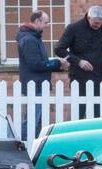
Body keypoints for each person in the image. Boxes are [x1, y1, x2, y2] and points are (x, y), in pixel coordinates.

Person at [55, 5, 102, 118]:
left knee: (98, 111)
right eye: (95, 23)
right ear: (88, 18)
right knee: (79, 110)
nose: (98, 26)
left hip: (99, 74)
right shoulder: (74, 28)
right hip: (79, 76)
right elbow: (59, 49)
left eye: (100, 23)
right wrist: (78, 61)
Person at [16, 10, 68, 142]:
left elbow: (38, 63)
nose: (47, 25)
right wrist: (57, 62)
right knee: (32, 120)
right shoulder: (29, 40)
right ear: (37, 21)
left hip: (38, 84)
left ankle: (31, 147)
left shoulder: (33, 38)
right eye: (46, 22)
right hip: (35, 85)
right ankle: (22, 146)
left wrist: (56, 63)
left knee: (36, 121)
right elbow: (35, 65)